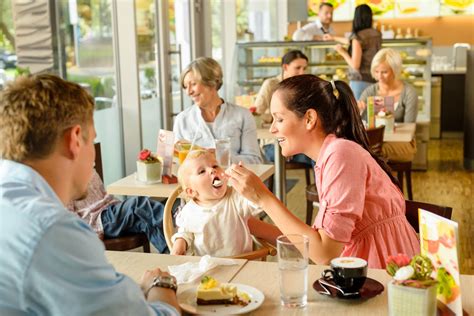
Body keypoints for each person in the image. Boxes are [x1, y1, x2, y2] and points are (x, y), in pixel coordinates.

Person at [0, 74, 179, 315]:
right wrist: (163, 287)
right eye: (92, 140)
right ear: (74, 139)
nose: (93, 158)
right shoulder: (53, 230)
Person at [226, 74, 420, 269]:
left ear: (309, 118)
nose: (273, 129)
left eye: (279, 119)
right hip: (362, 264)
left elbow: (324, 253)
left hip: (384, 270)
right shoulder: (330, 155)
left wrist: (262, 197)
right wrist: (247, 224)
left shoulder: (341, 155)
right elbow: (315, 239)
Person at [171, 150, 281, 257]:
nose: (212, 170)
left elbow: (258, 204)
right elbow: (185, 232)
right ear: (191, 191)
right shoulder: (189, 211)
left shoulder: (235, 197)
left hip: (241, 263)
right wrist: (180, 241)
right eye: (202, 171)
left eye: (215, 166)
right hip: (207, 267)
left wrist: (247, 184)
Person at [173, 57, 262, 164]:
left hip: (233, 180)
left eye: (193, 84)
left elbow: (255, 161)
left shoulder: (243, 116)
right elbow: (177, 162)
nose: (188, 92)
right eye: (185, 86)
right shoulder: (182, 119)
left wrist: (221, 157)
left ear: (212, 83)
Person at [67, 169, 170, 253]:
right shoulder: (64, 177)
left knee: (144, 221)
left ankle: (172, 254)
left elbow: (104, 195)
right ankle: (175, 222)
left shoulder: (86, 165)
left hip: (111, 209)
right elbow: (68, 216)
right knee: (138, 203)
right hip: (99, 220)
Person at [358, 48, 418, 162]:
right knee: (369, 151)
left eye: (384, 72)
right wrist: (358, 111)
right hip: (375, 143)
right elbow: (358, 123)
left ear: (395, 71)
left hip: (402, 143)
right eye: (376, 71)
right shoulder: (369, 91)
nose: (379, 76)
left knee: (367, 153)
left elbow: (409, 128)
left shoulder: (409, 93)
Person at [254, 50, 312, 165]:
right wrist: (276, 119)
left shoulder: (303, 87)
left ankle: (323, 183)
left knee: (320, 152)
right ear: (285, 67)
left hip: (298, 140)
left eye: (304, 68)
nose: (302, 72)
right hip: (273, 142)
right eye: (298, 68)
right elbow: (257, 113)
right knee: (315, 156)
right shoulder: (270, 84)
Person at [324, 4, 381, 100]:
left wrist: (342, 52)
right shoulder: (376, 34)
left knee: (357, 113)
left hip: (360, 81)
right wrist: (333, 37)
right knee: (373, 113)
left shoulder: (358, 36)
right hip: (375, 80)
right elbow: (353, 42)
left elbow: (355, 65)